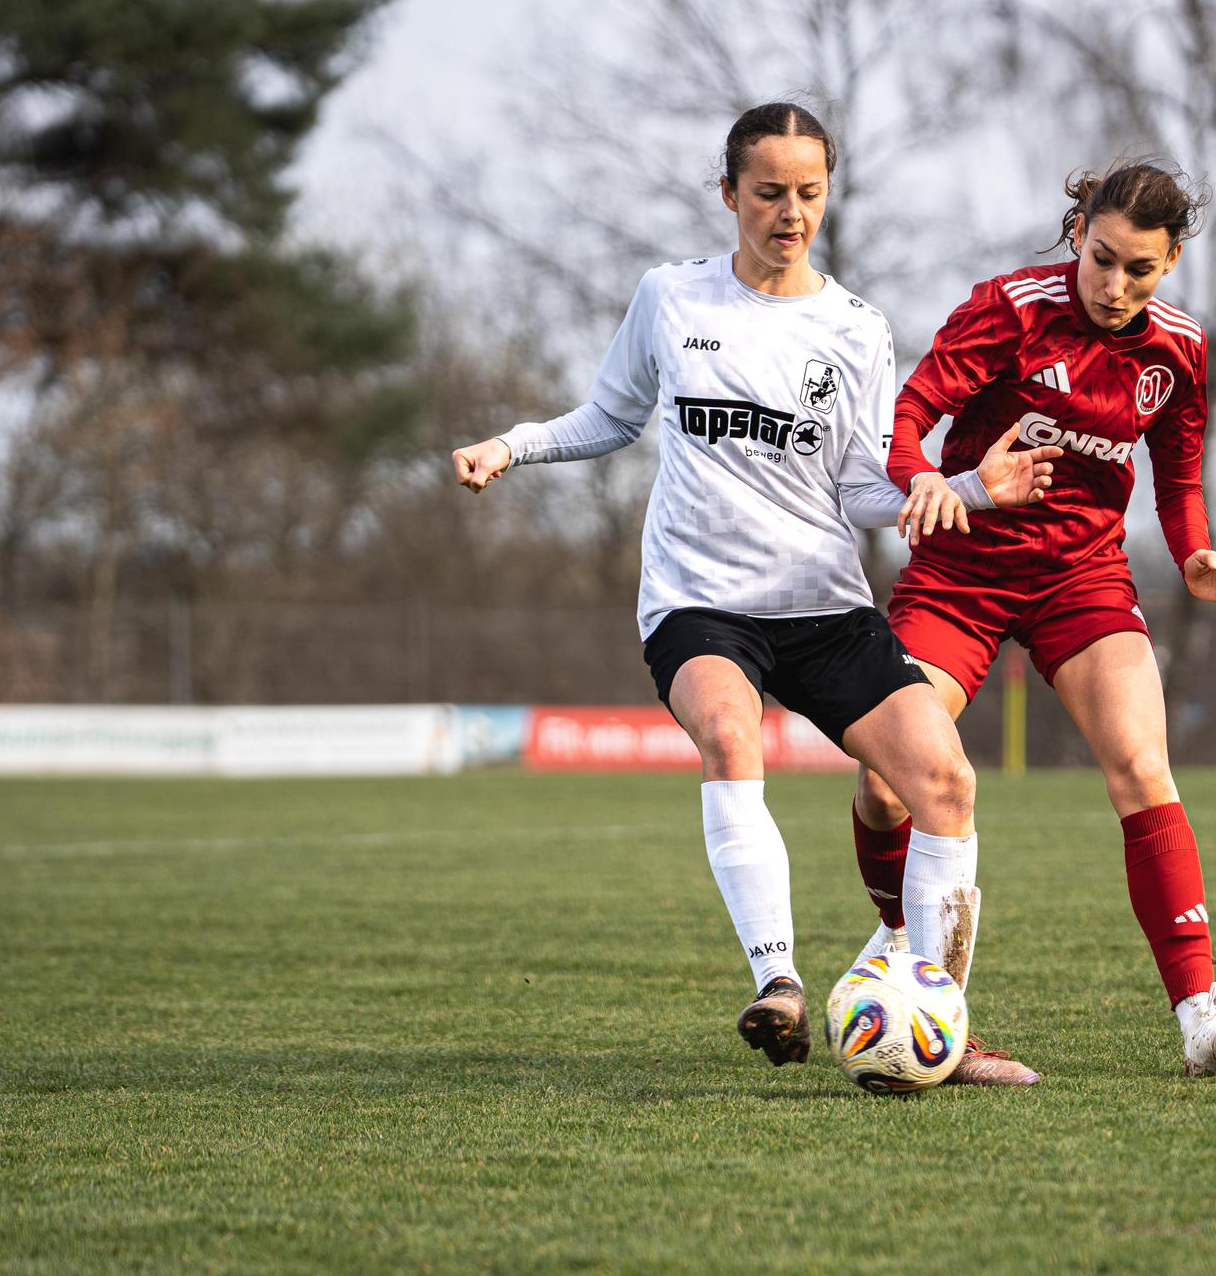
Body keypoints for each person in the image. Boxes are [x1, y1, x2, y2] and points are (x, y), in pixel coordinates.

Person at [450, 102, 1058, 1076]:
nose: (791, 211)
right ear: (728, 193)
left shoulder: (856, 328)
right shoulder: (671, 298)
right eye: (769, 191)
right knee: (731, 735)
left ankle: (943, 1029)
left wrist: (975, 486)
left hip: (822, 601)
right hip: (699, 601)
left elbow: (864, 487)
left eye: (809, 192)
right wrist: (513, 447)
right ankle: (778, 982)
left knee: (944, 783)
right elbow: (611, 417)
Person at [848, 158, 1216, 1078]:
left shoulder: (1178, 350)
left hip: (1081, 577)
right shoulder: (1007, 307)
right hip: (962, 570)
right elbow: (908, 417)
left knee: (1142, 766)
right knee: (888, 783)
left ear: (1170, 264)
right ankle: (897, 948)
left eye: (1142, 270)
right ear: (1078, 230)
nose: (1117, 286)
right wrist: (924, 477)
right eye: (1104, 259)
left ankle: (1202, 1018)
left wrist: (1195, 549)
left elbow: (1181, 474)